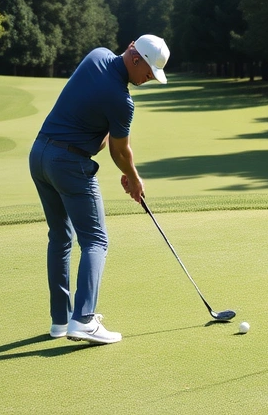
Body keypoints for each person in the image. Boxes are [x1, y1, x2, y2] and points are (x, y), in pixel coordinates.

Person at [29, 34, 169, 345]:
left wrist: (125, 169)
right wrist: (133, 178)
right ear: (135, 57)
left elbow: (98, 128)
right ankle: (84, 319)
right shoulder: (122, 100)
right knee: (96, 240)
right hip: (69, 164)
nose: (148, 80)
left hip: (39, 155)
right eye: (148, 73)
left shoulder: (97, 55)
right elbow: (120, 151)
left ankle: (60, 320)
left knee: (60, 236)